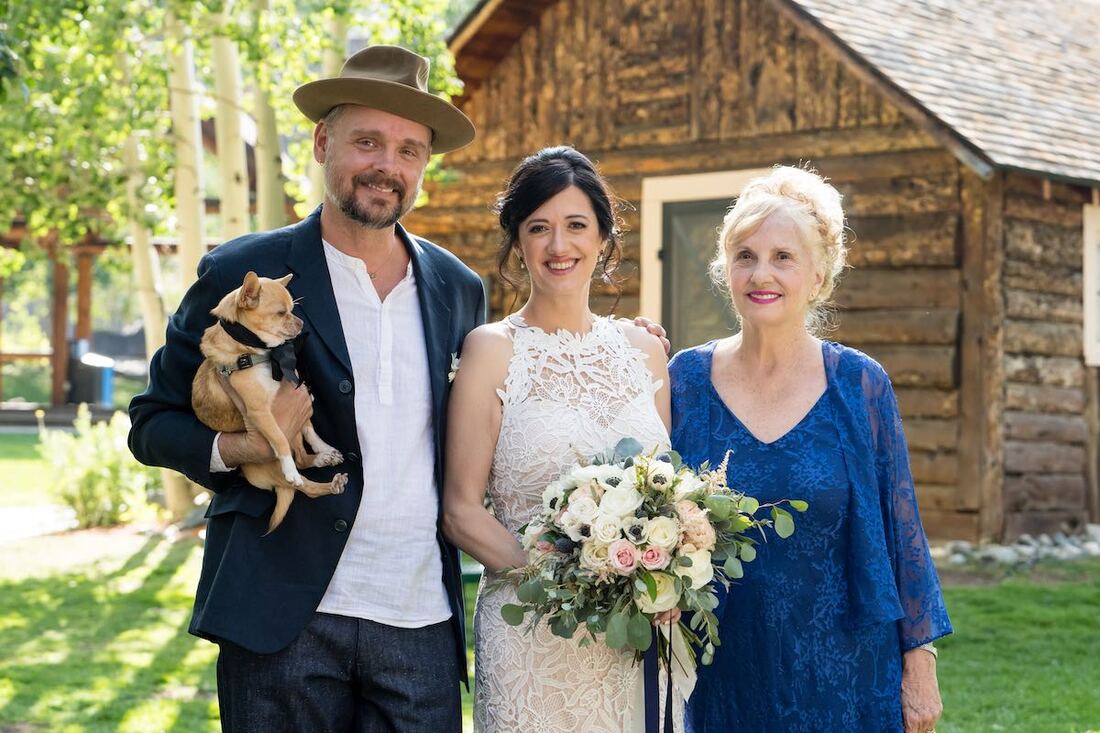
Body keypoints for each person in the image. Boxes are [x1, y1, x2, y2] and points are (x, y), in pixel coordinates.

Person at [128, 45, 484, 732]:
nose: (388, 165)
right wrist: (242, 443)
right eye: (369, 141)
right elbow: (151, 422)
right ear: (324, 142)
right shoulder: (244, 272)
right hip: (280, 617)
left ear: (424, 165)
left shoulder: (458, 290)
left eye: (410, 150)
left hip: (419, 622)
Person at [669, 166, 951, 733]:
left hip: (846, 671)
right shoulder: (684, 381)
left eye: (782, 257)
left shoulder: (860, 384)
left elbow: (902, 533)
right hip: (720, 668)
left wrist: (919, 665)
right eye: (744, 255)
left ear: (819, 276)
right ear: (726, 270)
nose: (760, 273)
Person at [442, 146, 678, 733]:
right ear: (517, 243)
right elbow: (461, 511)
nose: (558, 246)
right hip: (530, 633)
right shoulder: (490, 350)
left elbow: (666, 489)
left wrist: (651, 572)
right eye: (539, 228)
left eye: (576, 226)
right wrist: (576, 581)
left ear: (603, 238)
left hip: (629, 639)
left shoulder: (645, 351)